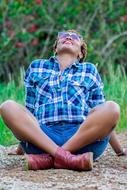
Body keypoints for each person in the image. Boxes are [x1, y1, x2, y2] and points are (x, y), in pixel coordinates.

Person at [0, 30, 126, 171]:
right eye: (64, 35)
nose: (69, 37)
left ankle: (50, 159)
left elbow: (103, 114)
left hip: (82, 139)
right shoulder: (37, 67)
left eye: (75, 38)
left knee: (112, 107)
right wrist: (20, 149)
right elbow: (29, 112)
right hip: (43, 138)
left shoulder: (89, 70)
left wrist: (119, 151)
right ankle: (66, 158)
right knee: (7, 106)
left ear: (80, 53)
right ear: (55, 48)